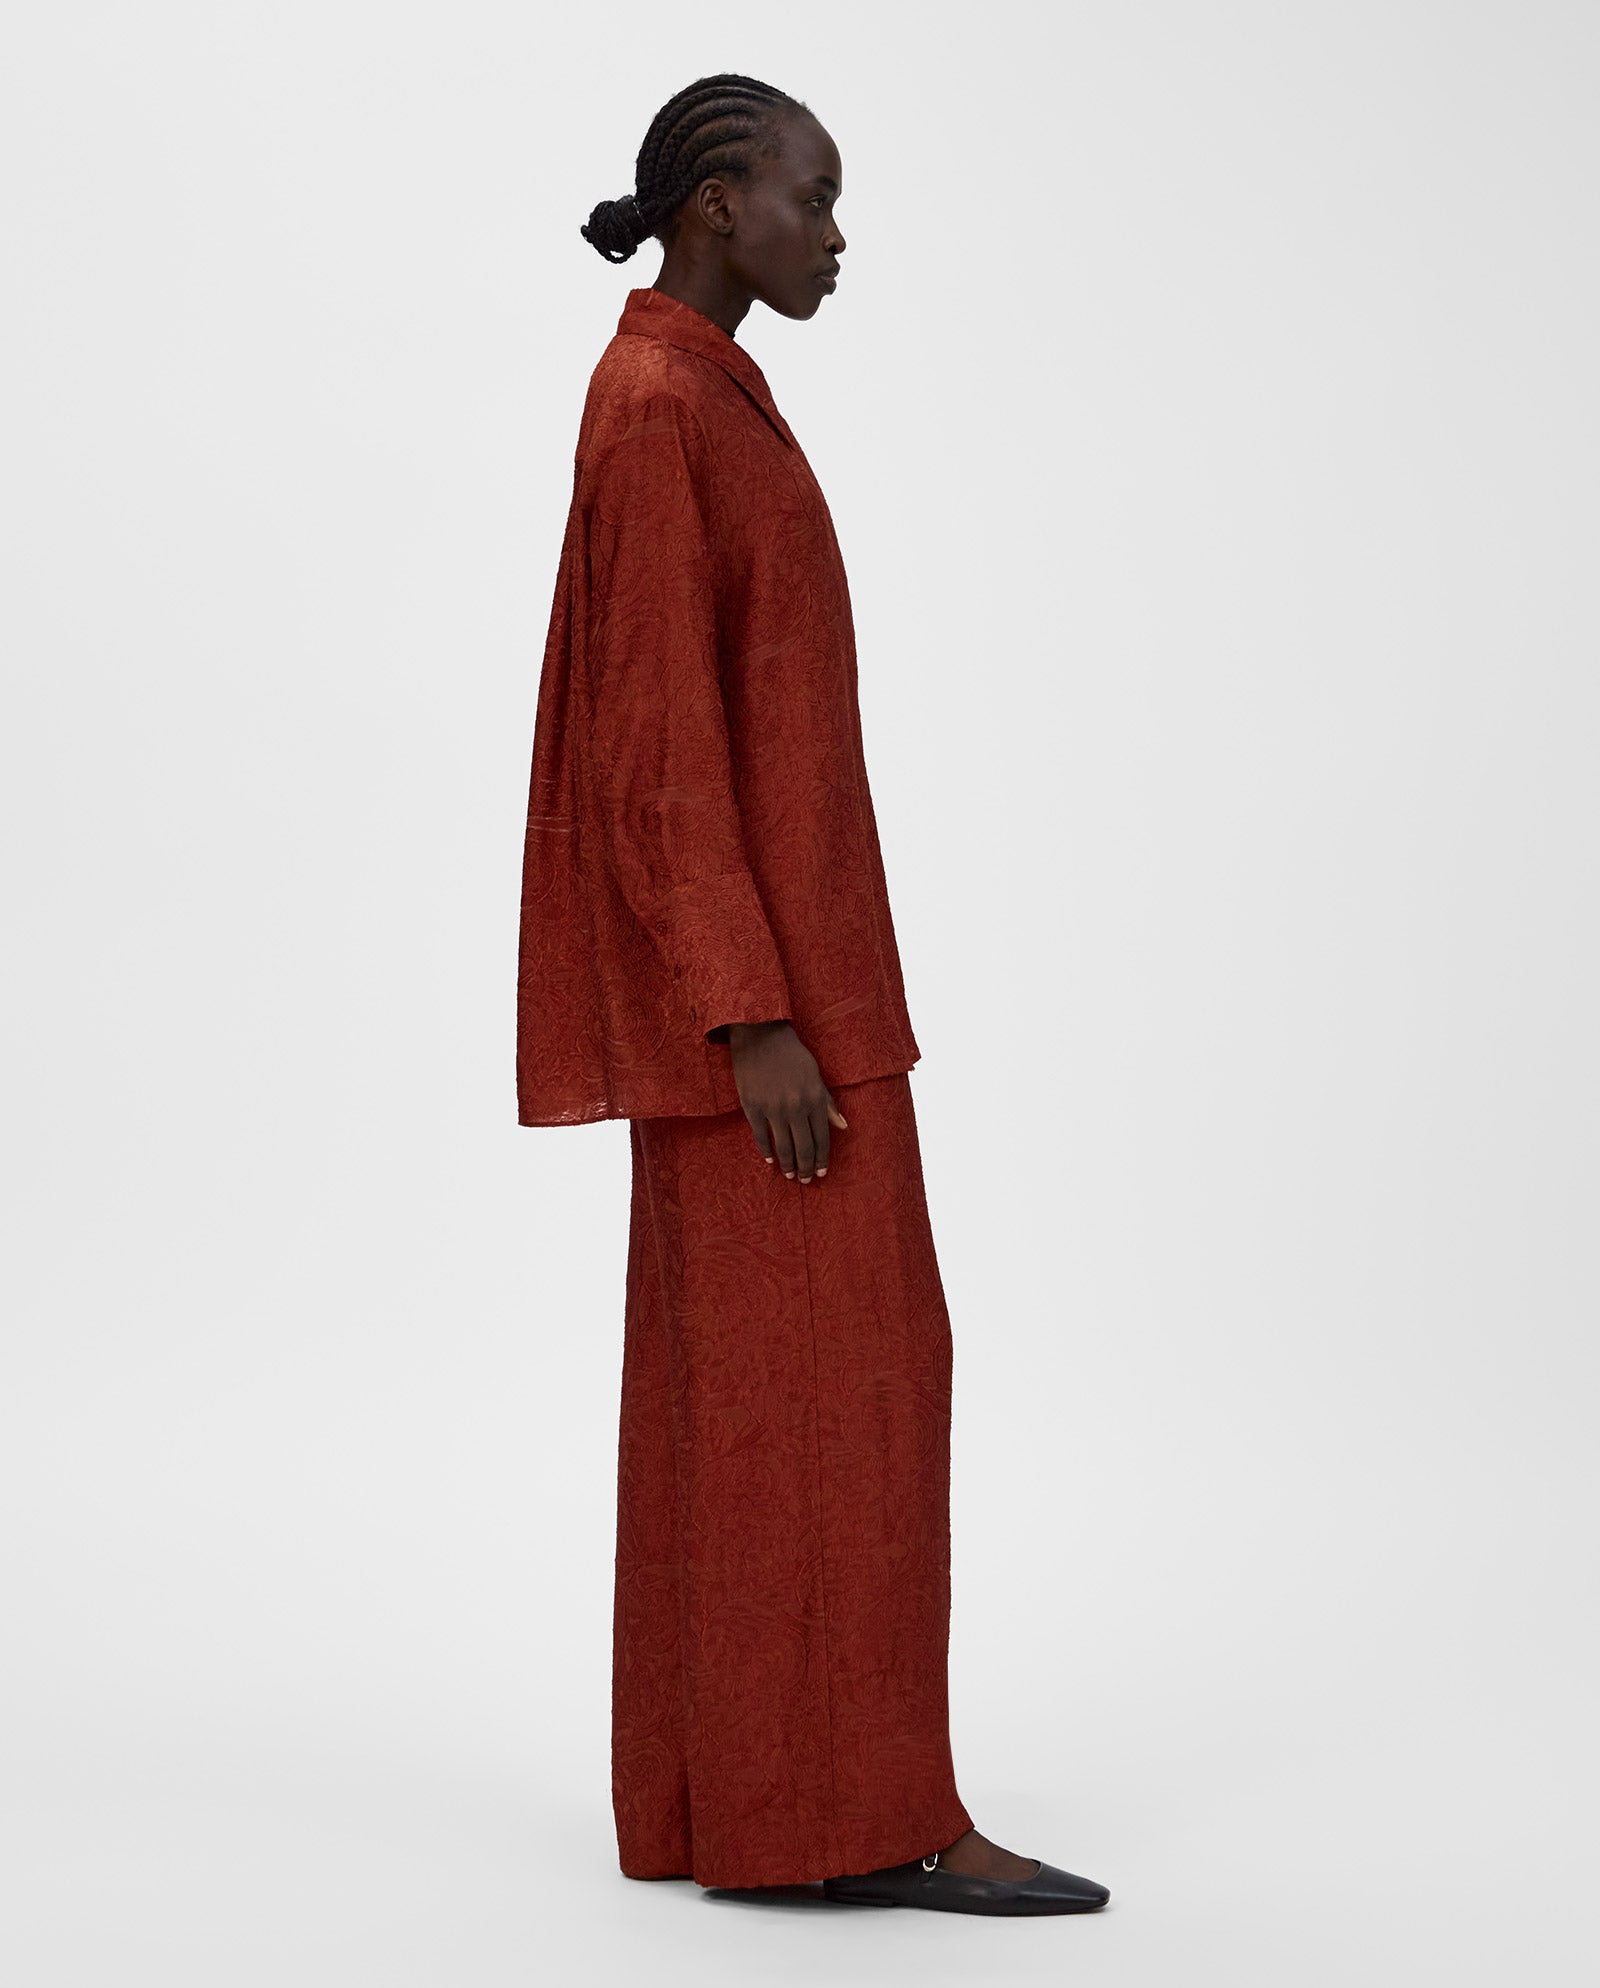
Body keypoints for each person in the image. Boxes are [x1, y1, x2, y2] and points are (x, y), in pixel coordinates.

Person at [516, 71, 1109, 1918]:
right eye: (815, 198)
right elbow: (653, 750)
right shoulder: (654, 409)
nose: (837, 237)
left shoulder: (696, 396)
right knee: (843, 1396)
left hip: (796, 993)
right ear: (716, 204)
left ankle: (733, 1807)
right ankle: (870, 1818)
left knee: (763, 1408)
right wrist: (748, 1014)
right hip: (779, 1027)